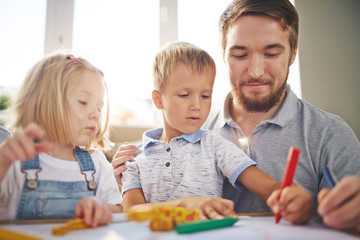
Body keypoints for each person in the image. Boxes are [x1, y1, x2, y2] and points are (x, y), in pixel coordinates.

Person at [113, 0, 360, 231]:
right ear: (223, 54)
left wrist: (317, 207)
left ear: (293, 53)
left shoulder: (330, 134)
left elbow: (279, 193)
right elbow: (129, 212)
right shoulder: (192, 128)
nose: (255, 71)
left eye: (271, 53)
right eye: (240, 55)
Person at [121, 41, 312, 223]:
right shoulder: (135, 159)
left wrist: (288, 197)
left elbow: (267, 186)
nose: (197, 105)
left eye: (205, 96)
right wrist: (185, 205)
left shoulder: (215, 145)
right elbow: (132, 211)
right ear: (158, 99)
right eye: (184, 95)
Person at [0, 53, 122, 228]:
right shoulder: (14, 159)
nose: (96, 114)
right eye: (83, 102)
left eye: (99, 107)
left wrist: (103, 208)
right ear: (46, 101)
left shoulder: (97, 163)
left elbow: (118, 211)